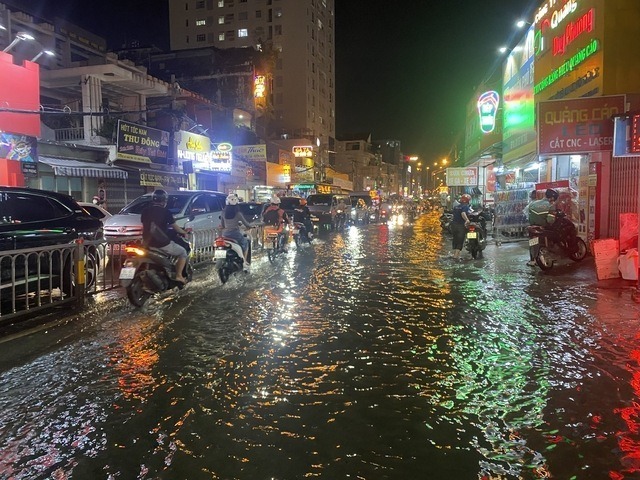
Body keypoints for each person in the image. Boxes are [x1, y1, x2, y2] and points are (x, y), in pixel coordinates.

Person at [141, 189, 189, 284]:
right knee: (183, 252)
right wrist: (184, 232)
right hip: (161, 243)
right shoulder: (166, 212)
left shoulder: (145, 211)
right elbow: (175, 227)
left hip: (146, 243)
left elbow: (145, 226)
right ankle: (179, 276)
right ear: (164, 201)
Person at [526, 189, 559, 266]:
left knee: (532, 243)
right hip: (543, 228)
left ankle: (532, 260)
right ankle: (550, 256)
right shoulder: (551, 206)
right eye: (554, 199)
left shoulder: (533, 203)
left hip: (532, 228)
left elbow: (528, 216)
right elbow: (550, 220)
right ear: (552, 198)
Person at [220, 193, 254, 269]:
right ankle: (244, 262)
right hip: (235, 234)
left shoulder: (223, 213)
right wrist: (249, 226)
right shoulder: (238, 213)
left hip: (225, 234)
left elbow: (222, 225)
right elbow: (246, 223)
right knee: (245, 243)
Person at [450, 193, 472, 259]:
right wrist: (467, 220)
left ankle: (455, 254)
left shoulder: (456, 206)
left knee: (455, 239)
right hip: (460, 226)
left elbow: (453, 215)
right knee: (460, 241)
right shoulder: (465, 206)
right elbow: (463, 213)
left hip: (454, 225)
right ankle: (455, 257)